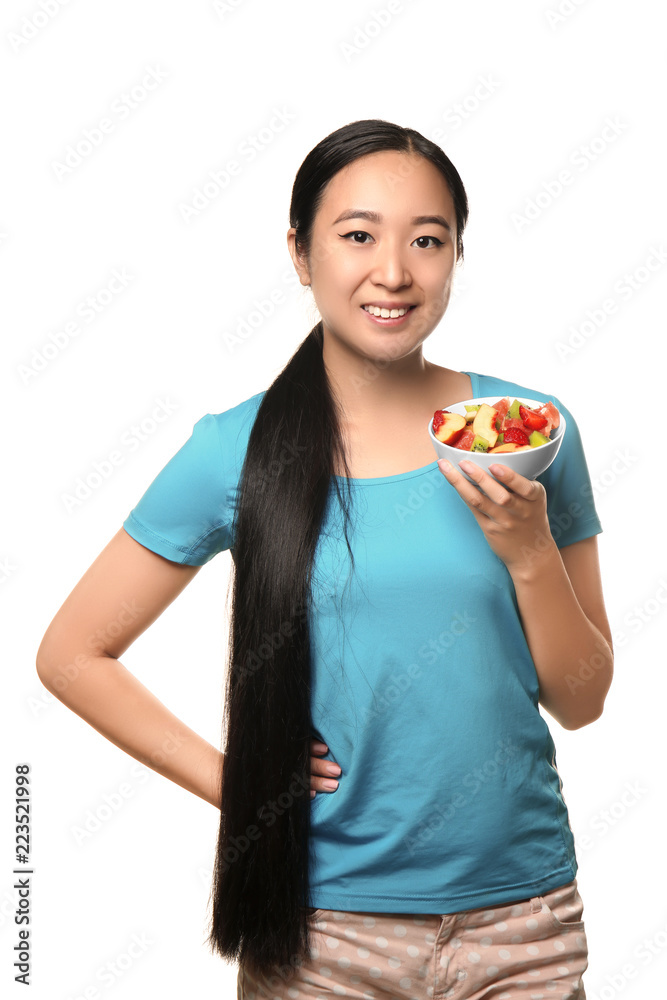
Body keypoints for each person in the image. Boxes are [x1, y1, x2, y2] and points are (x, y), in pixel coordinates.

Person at [36, 119, 613, 1000]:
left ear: (458, 254)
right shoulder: (234, 450)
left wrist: (530, 552)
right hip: (321, 930)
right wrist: (244, 786)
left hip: (523, 923)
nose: (394, 271)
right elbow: (72, 654)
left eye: (428, 240)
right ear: (302, 255)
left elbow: (582, 699)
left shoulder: (524, 433)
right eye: (357, 236)